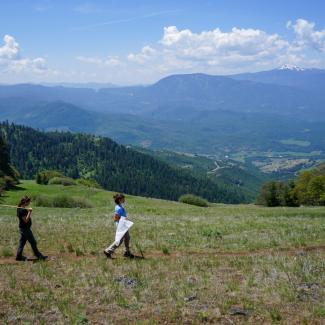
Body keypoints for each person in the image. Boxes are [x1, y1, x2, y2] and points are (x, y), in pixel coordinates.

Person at [15, 196, 48, 261]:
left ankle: (18, 257)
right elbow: (26, 220)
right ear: (25, 202)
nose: (29, 203)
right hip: (25, 229)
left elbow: (18, 216)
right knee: (33, 242)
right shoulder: (22, 210)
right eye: (28, 202)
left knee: (22, 242)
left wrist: (27, 210)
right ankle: (39, 256)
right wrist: (30, 212)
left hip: (23, 228)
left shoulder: (21, 209)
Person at [104, 193, 134, 259]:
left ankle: (127, 252)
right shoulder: (118, 208)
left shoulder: (120, 206)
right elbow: (116, 218)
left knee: (127, 238)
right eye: (123, 198)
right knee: (119, 240)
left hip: (123, 224)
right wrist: (124, 220)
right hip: (121, 225)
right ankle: (108, 251)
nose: (124, 200)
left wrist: (125, 220)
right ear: (120, 200)